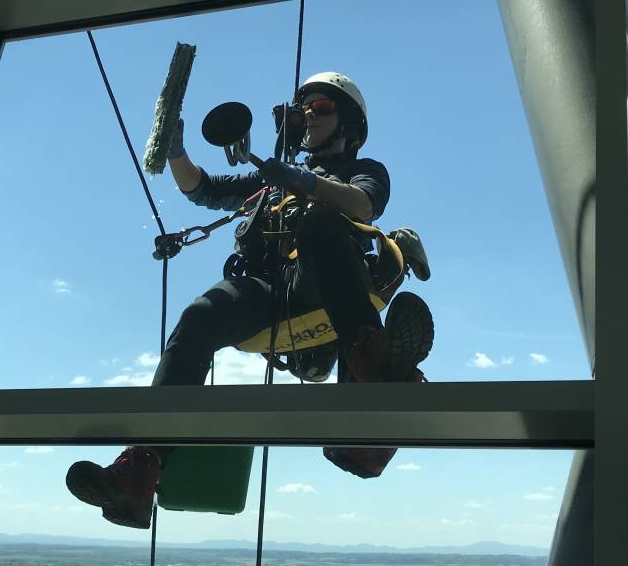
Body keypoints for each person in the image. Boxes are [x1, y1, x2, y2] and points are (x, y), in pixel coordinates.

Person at [65, 72, 434, 529]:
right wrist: (175, 150)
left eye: (322, 108)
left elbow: (362, 205)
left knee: (320, 223)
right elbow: (202, 188)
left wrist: (304, 181)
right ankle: (140, 470)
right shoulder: (269, 182)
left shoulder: (364, 170)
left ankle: (370, 385)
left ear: (349, 124)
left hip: (324, 283)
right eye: (303, 110)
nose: (309, 116)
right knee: (200, 316)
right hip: (267, 291)